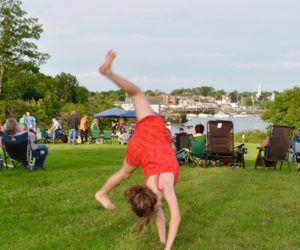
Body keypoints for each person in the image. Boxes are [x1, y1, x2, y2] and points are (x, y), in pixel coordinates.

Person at [95, 51, 180, 250]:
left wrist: (165, 245)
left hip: (145, 140)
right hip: (146, 141)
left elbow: (171, 217)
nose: (158, 211)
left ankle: (102, 194)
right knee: (124, 173)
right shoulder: (156, 189)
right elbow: (175, 218)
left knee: (137, 94)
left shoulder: (153, 191)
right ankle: (101, 194)